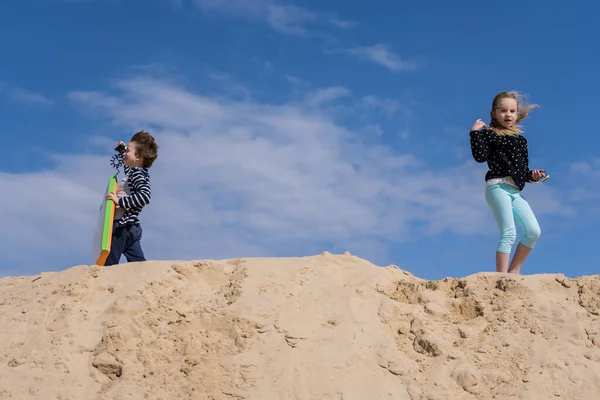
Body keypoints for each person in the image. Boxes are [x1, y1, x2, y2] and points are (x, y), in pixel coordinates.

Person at [469, 91, 548, 274]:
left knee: (533, 231)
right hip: (497, 187)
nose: (508, 114)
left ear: (517, 114)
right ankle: (501, 277)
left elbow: (521, 171)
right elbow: (480, 157)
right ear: (494, 113)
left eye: (512, 111)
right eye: (503, 110)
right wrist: (475, 133)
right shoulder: (489, 135)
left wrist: (532, 176)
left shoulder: (521, 140)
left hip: (514, 190)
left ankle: (514, 273)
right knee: (509, 232)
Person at [105, 130, 159, 266]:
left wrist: (120, 201)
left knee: (109, 263)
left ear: (139, 156)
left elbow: (145, 196)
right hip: (132, 227)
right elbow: (128, 165)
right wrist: (122, 149)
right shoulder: (135, 171)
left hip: (122, 226)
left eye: (128, 151)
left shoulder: (137, 174)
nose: (125, 154)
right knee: (138, 264)